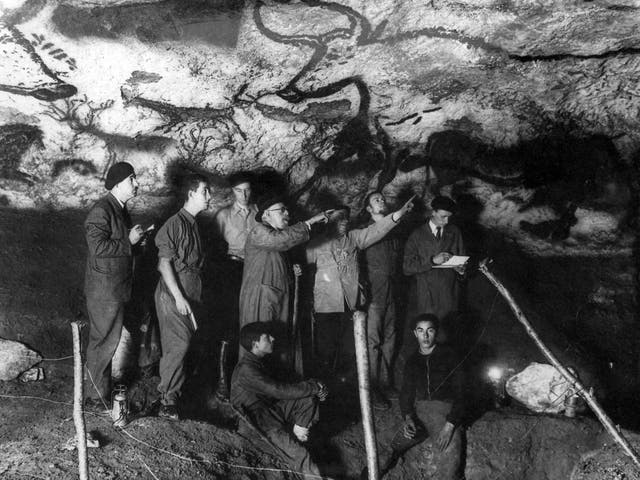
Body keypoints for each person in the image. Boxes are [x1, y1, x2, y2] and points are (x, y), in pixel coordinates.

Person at [305, 196, 413, 383]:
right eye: (339, 218)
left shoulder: (354, 238)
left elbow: (377, 229)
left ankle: (348, 394)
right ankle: (325, 392)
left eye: (346, 218)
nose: (344, 222)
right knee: (326, 352)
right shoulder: (315, 244)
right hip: (326, 307)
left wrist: (399, 214)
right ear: (328, 221)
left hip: (350, 305)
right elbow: (306, 271)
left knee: (349, 352)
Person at [230, 322, 329, 479]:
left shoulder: (257, 362)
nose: (273, 338)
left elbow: (287, 387)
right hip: (255, 420)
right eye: (267, 337)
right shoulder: (247, 369)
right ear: (255, 344)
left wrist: (315, 386)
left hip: (269, 411)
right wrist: (313, 386)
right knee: (301, 455)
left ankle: (297, 435)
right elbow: (278, 390)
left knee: (308, 397)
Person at [238, 196, 327, 364]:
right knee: (260, 346)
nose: (287, 214)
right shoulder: (259, 231)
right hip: (261, 299)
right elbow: (280, 241)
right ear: (266, 216)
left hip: (276, 298)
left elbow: (276, 257)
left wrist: (292, 272)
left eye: (287, 210)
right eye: (281, 210)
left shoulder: (279, 238)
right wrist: (310, 222)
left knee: (276, 347)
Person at [84, 162, 143, 409]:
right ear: (118, 184)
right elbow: (97, 248)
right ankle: (94, 396)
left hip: (115, 288)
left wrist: (137, 242)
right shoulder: (102, 210)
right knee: (103, 341)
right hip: (104, 290)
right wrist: (129, 242)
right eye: (132, 179)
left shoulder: (119, 208)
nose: (136, 183)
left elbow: (118, 245)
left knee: (108, 340)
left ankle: (99, 392)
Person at [378, 314, 465, 479]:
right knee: (388, 448)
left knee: (449, 469)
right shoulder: (412, 361)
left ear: (436, 332)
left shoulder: (450, 355)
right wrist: (408, 418)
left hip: (447, 416)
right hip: (421, 415)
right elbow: (406, 393)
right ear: (415, 333)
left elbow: (463, 392)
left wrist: (450, 425)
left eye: (429, 331)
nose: (425, 336)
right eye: (421, 330)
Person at [154, 174, 211, 420]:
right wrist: (179, 297)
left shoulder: (193, 224)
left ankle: (175, 396)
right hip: (172, 293)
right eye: (205, 192)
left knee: (188, 345)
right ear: (191, 194)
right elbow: (163, 265)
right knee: (178, 345)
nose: (209, 197)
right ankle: (166, 401)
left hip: (191, 291)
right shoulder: (174, 224)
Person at [402, 195, 465, 341]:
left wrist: (462, 271)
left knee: (449, 337)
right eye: (443, 216)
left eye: (449, 217)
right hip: (426, 295)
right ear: (433, 212)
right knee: (429, 337)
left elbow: (462, 261)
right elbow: (407, 267)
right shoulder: (417, 235)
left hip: (449, 293)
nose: (447, 221)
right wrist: (432, 261)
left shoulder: (454, 232)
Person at [361, 192, 404, 403]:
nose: (382, 201)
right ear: (369, 209)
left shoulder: (394, 232)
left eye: (383, 199)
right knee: (372, 343)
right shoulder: (365, 232)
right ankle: (372, 388)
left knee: (390, 340)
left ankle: (386, 384)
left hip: (392, 295)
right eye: (377, 200)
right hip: (374, 296)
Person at [213, 172, 258, 371]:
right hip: (232, 268)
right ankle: (224, 373)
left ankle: (250, 368)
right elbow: (214, 247)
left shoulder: (260, 212)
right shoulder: (223, 215)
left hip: (255, 267)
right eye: (239, 191)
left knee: (253, 315)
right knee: (231, 317)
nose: (244, 195)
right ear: (233, 192)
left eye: (247, 190)